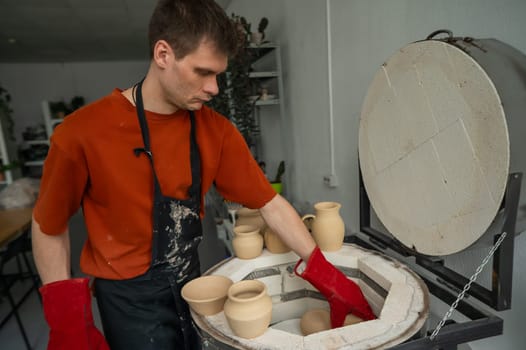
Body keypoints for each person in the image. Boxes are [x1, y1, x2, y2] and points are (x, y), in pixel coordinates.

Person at [31, 0, 375, 349]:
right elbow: (49, 226)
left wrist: (328, 276)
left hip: (191, 285)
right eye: (203, 72)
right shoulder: (82, 133)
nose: (214, 88)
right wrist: (66, 319)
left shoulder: (216, 131)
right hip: (128, 302)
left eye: (218, 75)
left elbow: (270, 204)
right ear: (163, 54)